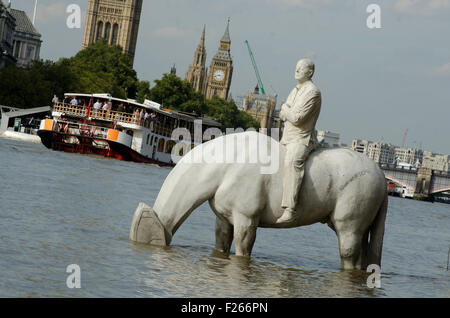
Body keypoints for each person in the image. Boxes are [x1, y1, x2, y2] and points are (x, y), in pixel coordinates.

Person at [276, 58, 322, 224]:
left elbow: (297, 118)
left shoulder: (312, 92)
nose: (296, 71)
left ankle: (290, 208)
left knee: (292, 162)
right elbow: (283, 112)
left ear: (309, 73)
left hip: (301, 139)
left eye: (300, 69)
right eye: (296, 67)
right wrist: (287, 111)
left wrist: (286, 111)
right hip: (286, 138)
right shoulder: (295, 89)